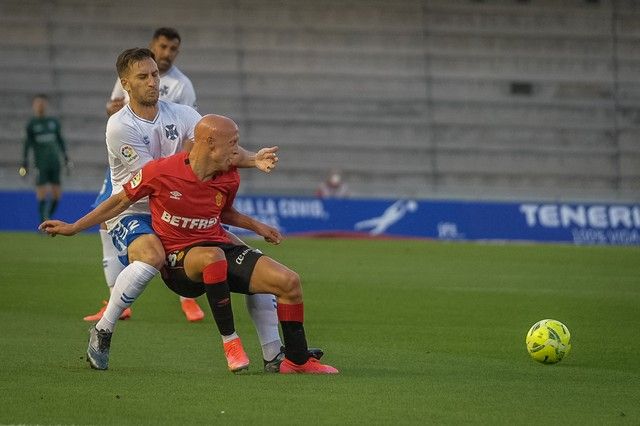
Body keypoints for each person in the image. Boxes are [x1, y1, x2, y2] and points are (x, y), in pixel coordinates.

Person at [40, 114, 339, 375]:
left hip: (216, 244)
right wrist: (75, 227)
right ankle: (230, 342)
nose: (237, 150)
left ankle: (294, 361)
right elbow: (119, 201)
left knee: (288, 281)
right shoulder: (160, 171)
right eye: (232, 143)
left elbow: (223, 212)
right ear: (209, 143)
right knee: (212, 258)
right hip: (180, 261)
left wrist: (256, 225)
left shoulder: (229, 177)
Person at [84, 47, 307, 372]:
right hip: (134, 207)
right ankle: (104, 330)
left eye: (155, 75)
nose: (152, 82)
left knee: (252, 261)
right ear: (125, 83)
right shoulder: (119, 125)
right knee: (151, 256)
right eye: (143, 77)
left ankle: (273, 353)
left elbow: (218, 145)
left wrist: (251, 159)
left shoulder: (183, 113)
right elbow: (155, 179)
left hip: (178, 206)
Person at [88, 27, 201, 323]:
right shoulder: (129, 74)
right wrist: (112, 110)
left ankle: (187, 298)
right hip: (131, 157)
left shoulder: (182, 87)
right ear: (153, 46)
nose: (167, 54)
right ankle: (116, 299)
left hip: (166, 170)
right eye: (162, 47)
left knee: (181, 235)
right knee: (105, 218)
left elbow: (187, 131)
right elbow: (114, 108)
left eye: (172, 49)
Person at [20, 94, 71, 222]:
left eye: (42, 103)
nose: (40, 106)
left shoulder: (53, 122)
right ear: (34, 106)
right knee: (42, 193)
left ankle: (47, 218)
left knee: (57, 195)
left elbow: (60, 141)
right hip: (40, 164)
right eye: (37, 103)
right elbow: (27, 145)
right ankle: (43, 222)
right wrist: (24, 163)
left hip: (55, 163)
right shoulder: (31, 124)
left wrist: (66, 158)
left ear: (46, 105)